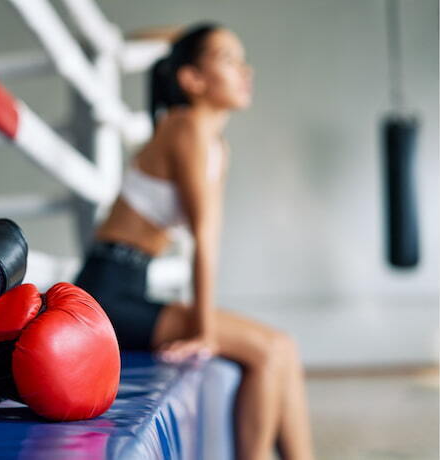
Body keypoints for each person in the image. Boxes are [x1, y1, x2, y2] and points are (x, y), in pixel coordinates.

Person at [74, 23, 315, 460]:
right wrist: (204, 333)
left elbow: (207, 232)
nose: (246, 71)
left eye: (244, 59)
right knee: (271, 349)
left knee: (281, 347)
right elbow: (205, 237)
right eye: (228, 60)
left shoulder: (214, 143)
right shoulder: (184, 127)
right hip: (105, 294)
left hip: (130, 284)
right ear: (192, 79)